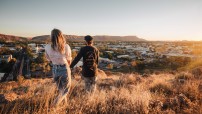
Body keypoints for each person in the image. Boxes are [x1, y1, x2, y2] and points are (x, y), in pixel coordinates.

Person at [45, 28, 72, 106]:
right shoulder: (66, 46)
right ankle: (54, 105)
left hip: (54, 69)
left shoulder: (47, 47)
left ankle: (65, 105)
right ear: (61, 36)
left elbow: (48, 59)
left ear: (51, 37)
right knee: (65, 90)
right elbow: (69, 60)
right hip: (64, 68)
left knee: (61, 90)